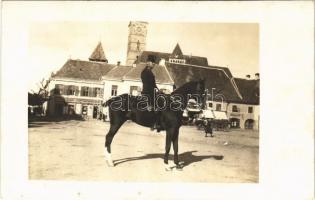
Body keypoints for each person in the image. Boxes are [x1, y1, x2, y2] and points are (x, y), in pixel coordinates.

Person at [140, 60, 161, 132]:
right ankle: (153, 123)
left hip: (150, 91)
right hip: (148, 92)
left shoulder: (148, 71)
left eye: (154, 63)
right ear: (148, 63)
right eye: (153, 63)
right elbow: (148, 83)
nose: (154, 64)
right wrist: (155, 90)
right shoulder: (146, 72)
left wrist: (158, 89)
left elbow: (153, 83)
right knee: (157, 105)